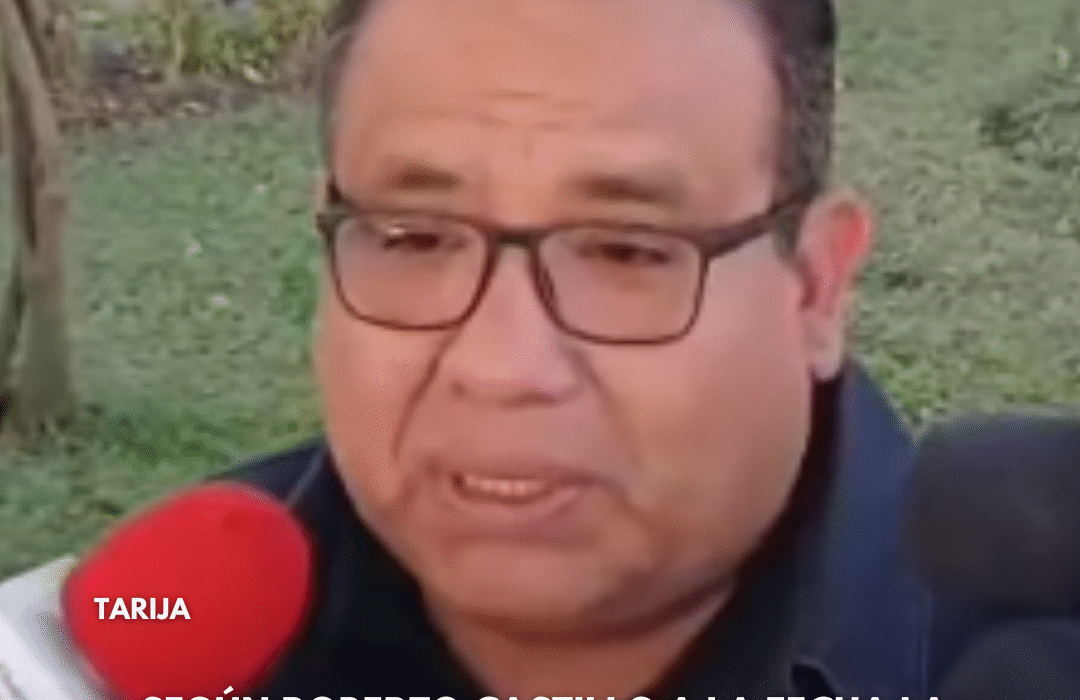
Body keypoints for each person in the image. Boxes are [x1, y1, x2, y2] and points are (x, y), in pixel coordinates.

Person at [226, 0, 958, 696]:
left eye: (624, 251)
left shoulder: (991, 651)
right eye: (412, 238)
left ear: (816, 286)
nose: (502, 367)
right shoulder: (181, 627)